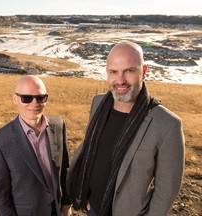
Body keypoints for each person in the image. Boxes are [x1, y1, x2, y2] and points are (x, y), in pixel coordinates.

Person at [67, 41, 185, 216]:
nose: (120, 80)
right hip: (91, 209)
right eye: (114, 72)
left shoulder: (167, 124)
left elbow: (166, 190)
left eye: (129, 71)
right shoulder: (99, 103)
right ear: (107, 72)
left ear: (143, 71)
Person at [0, 75, 72, 216]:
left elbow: (64, 169)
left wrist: (66, 203)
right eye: (26, 98)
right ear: (15, 99)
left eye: (40, 98)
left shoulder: (58, 126)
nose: (34, 103)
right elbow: (0, 197)